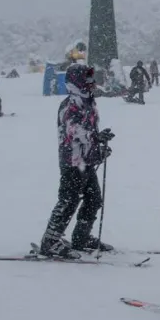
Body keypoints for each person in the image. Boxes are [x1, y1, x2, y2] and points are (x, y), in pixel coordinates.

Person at [39, 64, 115, 258]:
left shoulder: (88, 102)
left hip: (86, 161)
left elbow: (88, 131)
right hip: (72, 162)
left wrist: (98, 149)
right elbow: (74, 131)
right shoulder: (70, 104)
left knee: (93, 199)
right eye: (87, 79)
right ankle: (50, 241)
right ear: (77, 81)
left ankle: (81, 237)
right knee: (69, 200)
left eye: (91, 79)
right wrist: (95, 138)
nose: (91, 82)